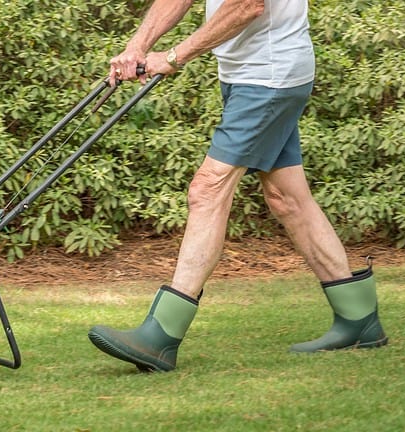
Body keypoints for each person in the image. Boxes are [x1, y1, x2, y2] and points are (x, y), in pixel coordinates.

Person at [88, 0, 389, 372]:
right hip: (248, 77)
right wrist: (138, 46)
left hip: (269, 78)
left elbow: (247, 5)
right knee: (286, 198)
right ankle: (359, 320)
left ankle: (161, 334)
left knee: (207, 189)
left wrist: (173, 56)